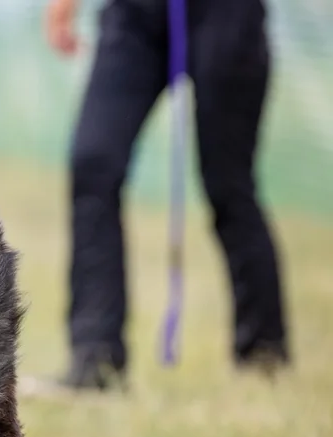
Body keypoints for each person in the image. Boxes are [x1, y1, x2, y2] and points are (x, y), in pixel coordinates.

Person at [45, 0, 289, 390]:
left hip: (226, 14)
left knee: (229, 186)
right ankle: (95, 359)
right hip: (136, 13)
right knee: (94, 164)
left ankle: (263, 355)